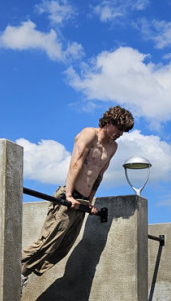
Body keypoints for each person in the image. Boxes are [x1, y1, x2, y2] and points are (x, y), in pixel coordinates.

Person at [21, 106, 135, 291]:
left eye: (124, 131)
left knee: (62, 248)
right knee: (46, 242)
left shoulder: (112, 147)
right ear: (108, 122)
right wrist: (68, 196)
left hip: (82, 201)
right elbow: (76, 163)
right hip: (69, 196)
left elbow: (99, 174)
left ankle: (21, 273)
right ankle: (10, 271)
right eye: (119, 128)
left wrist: (89, 202)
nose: (120, 133)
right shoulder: (89, 134)